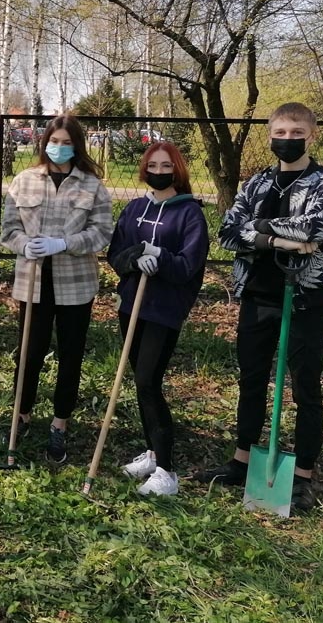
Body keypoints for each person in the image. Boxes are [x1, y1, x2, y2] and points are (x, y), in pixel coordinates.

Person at [196, 102, 323, 513]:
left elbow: (315, 229)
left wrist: (258, 229)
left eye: (297, 132)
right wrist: (277, 240)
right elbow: (227, 232)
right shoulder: (258, 182)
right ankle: (242, 459)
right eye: (281, 131)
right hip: (258, 294)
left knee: (305, 386)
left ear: (311, 135)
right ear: (270, 134)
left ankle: (302, 475)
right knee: (251, 378)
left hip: (304, 296)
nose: (288, 139)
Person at [0, 115, 113, 463]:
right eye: (54, 141)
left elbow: (102, 232)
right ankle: (22, 413)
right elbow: (8, 228)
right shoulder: (25, 181)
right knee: (29, 353)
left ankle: (60, 424)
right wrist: (24, 244)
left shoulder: (92, 185)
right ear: (44, 142)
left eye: (67, 142)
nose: (59, 148)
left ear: (76, 145)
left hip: (75, 284)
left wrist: (64, 243)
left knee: (70, 355)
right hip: (32, 283)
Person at [106, 142, 209, 495]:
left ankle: (167, 470)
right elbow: (115, 254)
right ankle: (151, 453)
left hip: (164, 309)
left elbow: (187, 267)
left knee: (149, 380)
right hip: (132, 304)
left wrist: (160, 256)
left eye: (167, 166)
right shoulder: (134, 208)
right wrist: (135, 259)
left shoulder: (189, 214)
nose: (160, 171)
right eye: (154, 165)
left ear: (177, 169)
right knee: (139, 380)